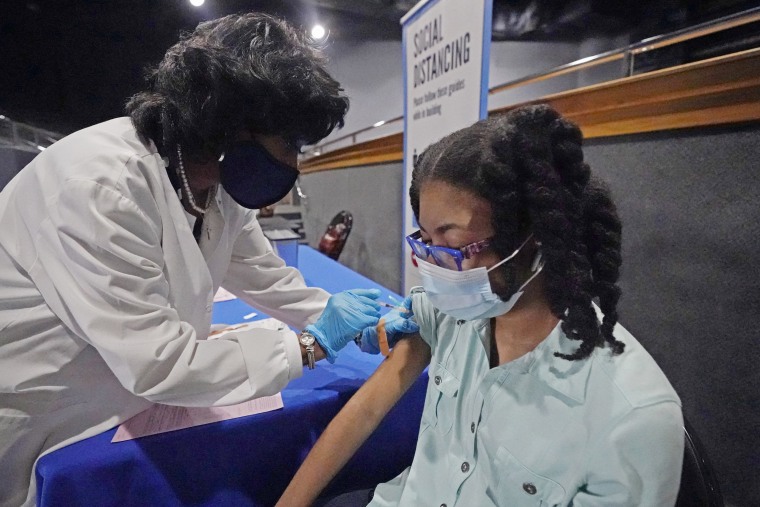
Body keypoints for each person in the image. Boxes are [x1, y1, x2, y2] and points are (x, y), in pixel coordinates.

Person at [0, 13, 382, 507]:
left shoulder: (213, 185)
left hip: (118, 381)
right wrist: (309, 346)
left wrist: (344, 316)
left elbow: (265, 277)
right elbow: (161, 363)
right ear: (224, 122)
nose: (292, 163)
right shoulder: (100, 186)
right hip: (44, 401)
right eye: (287, 142)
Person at [277, 104, 685, 506]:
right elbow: (365, 411)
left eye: (453, 245)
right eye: (426, 242)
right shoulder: (453, 313)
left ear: (535, 237)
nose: (434, 268)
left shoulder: (631, 417)